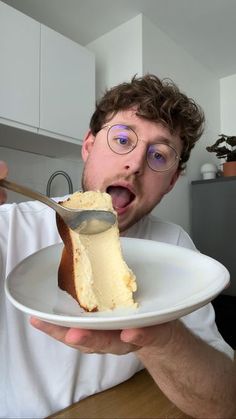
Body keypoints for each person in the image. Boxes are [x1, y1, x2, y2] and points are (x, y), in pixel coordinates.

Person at [0, 74, 235, 419]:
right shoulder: (10, 226)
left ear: (170, 182)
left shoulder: (176, 247)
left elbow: (224, 403)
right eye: (123, 139)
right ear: (88, 146)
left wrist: (162, 340)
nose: (136, 164)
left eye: (159, 155)